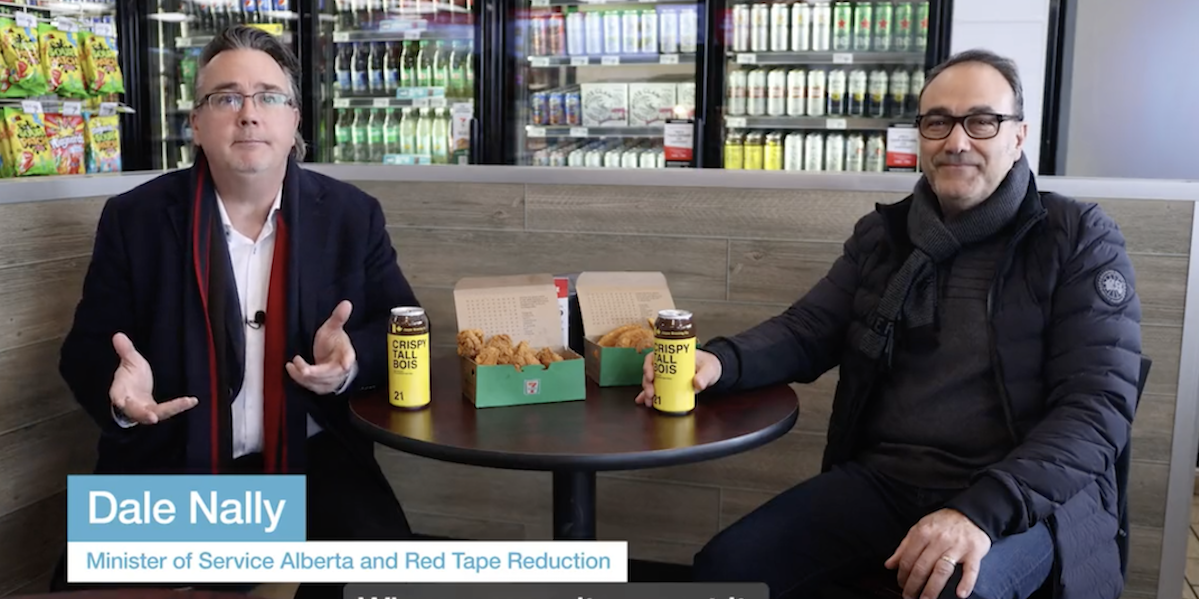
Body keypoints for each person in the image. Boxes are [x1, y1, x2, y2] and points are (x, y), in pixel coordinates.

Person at [638, 49, 1142, 599]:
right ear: (920, 135)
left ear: (1017, 136)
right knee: (726, 570)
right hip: (885, 482)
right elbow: (808, 329)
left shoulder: (1077, 238)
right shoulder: (887, 237)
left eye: (981, 121)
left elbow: (1096, 409)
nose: (956, 141)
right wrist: (717, 361)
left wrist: (976, 511)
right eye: (937, 122)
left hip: (1021, 501)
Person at [53, 25, 417, 598]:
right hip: (170, 467)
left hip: (312, 467)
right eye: (226, 97)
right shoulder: (135, 218)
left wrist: (349, 362)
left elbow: (402, 328)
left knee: (391, 581)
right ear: (196, 124)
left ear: (294, 120)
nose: (249, 114)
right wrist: (120, 394)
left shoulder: (352, 215)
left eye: (269, 96)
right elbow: (85, 348)